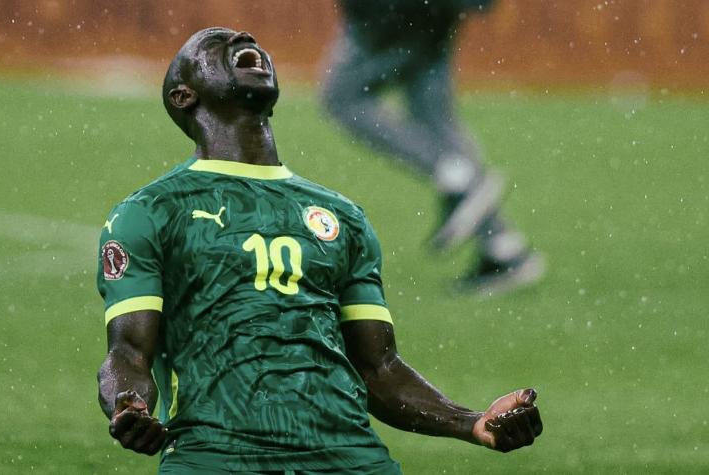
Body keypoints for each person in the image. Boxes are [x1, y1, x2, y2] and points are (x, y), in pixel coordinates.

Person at [96, 27, 543, 474]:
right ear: (183, 96)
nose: (243, 37)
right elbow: (128, 354)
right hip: (215, 459)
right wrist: (128, 405)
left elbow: (380, 369)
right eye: (213, 44)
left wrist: (472, 423)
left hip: (351, 459)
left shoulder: (342, 216)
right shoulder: (149, 213)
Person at [323, 0, 544, 295]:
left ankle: (458, 175)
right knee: (433, 117)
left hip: (395, 12)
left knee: (344, 98)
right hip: (438, 11)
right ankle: (503, 248)